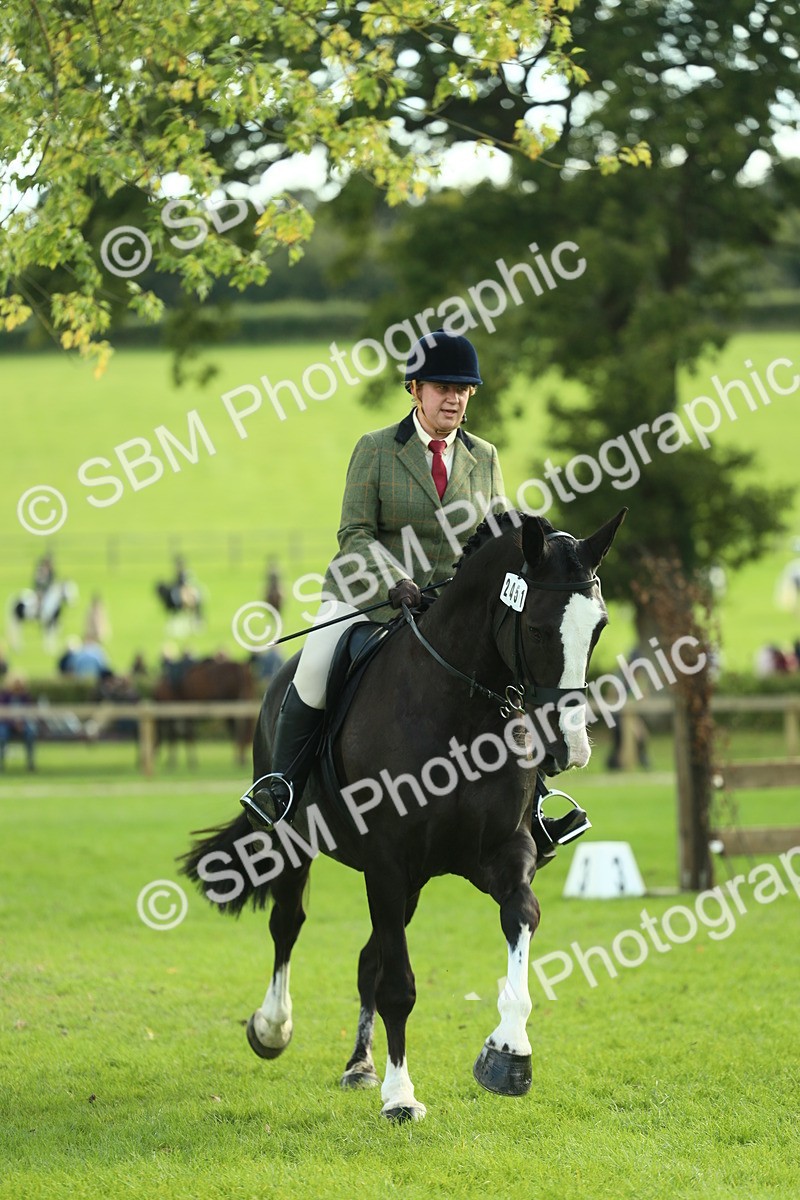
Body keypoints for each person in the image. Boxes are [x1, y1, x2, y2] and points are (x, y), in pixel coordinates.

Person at [242, 329, 588, 862]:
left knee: (516, 674)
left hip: (449, 608)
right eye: (442, 387)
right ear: (415, 389)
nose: (453, 398)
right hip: (367, 595)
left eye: (463, 389)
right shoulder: (376, 450)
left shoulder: (485, 457)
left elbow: (499, 540)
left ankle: (535, 805)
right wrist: (391, 582)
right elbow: (354, 535)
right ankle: (280, 788)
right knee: (312, 671)